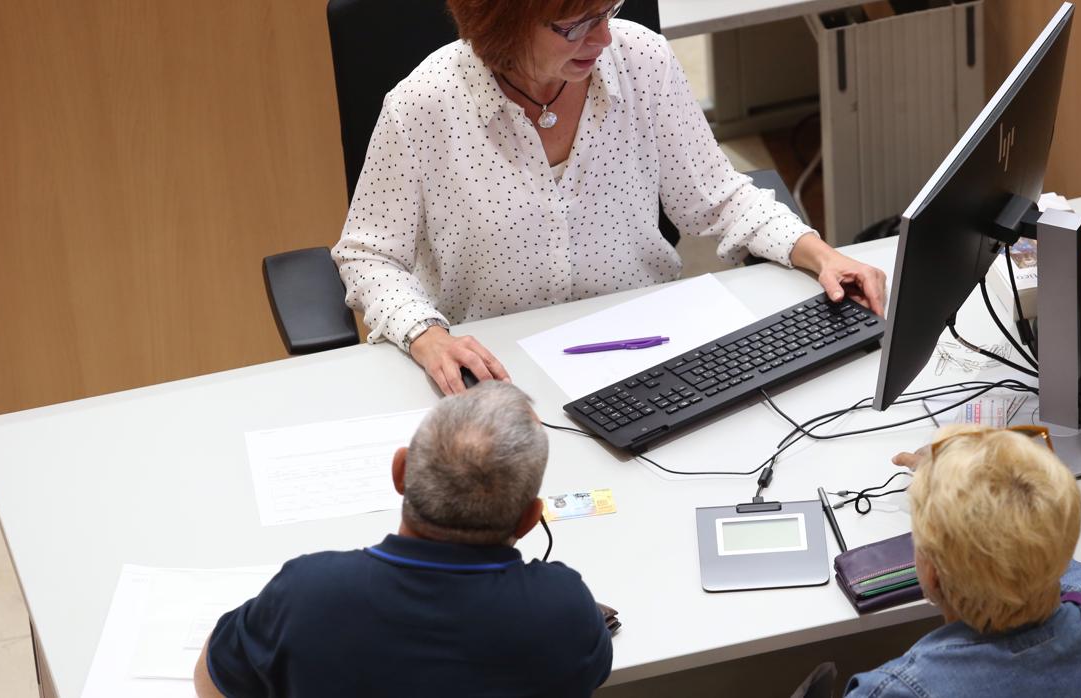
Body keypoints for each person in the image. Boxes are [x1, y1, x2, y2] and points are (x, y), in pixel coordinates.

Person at [332, 0, 887, 395]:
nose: (602, 40)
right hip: (499, 374)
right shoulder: (424, 106)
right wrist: (425, 336)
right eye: (575, 25)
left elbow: (719, 199)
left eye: (608, 12)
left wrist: (821, 253)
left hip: (644, 356)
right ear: (500, 21)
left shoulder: (641, 61)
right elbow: (369, 255)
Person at [193, 381, 613, 697]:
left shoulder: (308, 591)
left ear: (400, 473)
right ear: (529, 518)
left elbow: (211, 682)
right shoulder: (564, 609)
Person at [844, 425, 1081, 697]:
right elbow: (1045, 556)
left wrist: (951, 483)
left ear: (931, 574)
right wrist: (969, 476)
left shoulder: (895, 691)